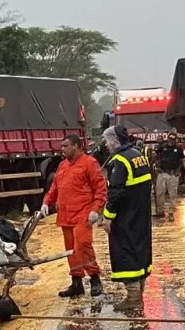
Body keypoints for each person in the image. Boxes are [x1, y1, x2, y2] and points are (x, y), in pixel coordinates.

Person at [41, 134, 108, 298]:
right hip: (65, 215)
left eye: (65, 146)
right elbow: (55, 187)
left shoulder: (89, 163)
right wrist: (46, 202)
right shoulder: (63, 165)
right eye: (62, 146)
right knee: (70, 250)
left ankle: (94, 278)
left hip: (82, 213)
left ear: (76, 146)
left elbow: (100, 189)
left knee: (83, 244)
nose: (62, 149)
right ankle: (76, 282)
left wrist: (95, 209)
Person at [100, 126, 153, 303]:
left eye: (107, 141)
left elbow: (116, 192)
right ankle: (139, 292)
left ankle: (133, 297)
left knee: (125, 251)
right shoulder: (138, 156)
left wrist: (108, 216)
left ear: (114, 140)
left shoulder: (120, 161)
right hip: (142, 214)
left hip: (125, 218)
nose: (106, 145)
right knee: (140, 250)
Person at [154, 132, 185, 219]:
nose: (171, 141)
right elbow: (154, 155)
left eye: (173, 140)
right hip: (162, 173)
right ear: (168, 139)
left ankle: (171, 213)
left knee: (173, 194)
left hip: (173, 174)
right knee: (159, 192)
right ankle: (160, 211)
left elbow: (183, 160)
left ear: (175, 140)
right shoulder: (162, 147)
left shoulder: (179, 149)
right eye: (170, 139)